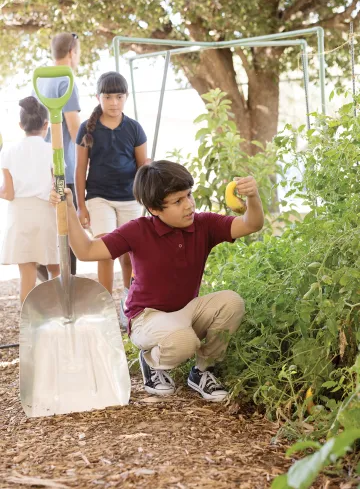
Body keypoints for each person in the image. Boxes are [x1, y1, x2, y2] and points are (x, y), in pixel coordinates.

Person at [50, 160, 264, 402]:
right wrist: (69, 208)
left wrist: (253, 197)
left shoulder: (203, 225)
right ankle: (151, 361)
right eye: (178, 201)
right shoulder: (137, 231)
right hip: (146, 318)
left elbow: (251, 224)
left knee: (231, 302)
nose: (189, 205)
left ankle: (203, 370)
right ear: (154, 209)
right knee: (184, 341)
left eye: (189, 196)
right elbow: (87, 250)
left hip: (185, 312)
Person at [75, 71, 148, 298]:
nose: (114, 102)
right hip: (99, 197)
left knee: (129, 255)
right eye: (108, 97)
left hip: (130, 198)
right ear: (98, 98)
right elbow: (80, 170)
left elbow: (142, 169)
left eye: (118, 96)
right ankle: (105, 304)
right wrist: (81, 206)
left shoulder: (134, 128)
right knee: (104, 251)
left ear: (126, 97)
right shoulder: (87, 129)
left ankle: (130, 303)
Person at [0, 97, 59, 303]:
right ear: (46, 125)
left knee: (28, 277)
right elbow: (58, 187)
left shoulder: (8, 152)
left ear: (20, 126)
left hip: (19, 217)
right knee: (55, 271)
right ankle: (59, 318)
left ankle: (28, 325)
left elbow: (8, 193)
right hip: (46, 214)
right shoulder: (53, 151)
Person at [35, 32, 81, 279]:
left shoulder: (41, 79)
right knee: (68, 225)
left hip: (45, 165)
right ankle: (67, 283)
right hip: (65, 167)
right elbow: (75, 131)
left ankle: (52, 279)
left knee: (51, 226)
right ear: (72, 52)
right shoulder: (66, 78)